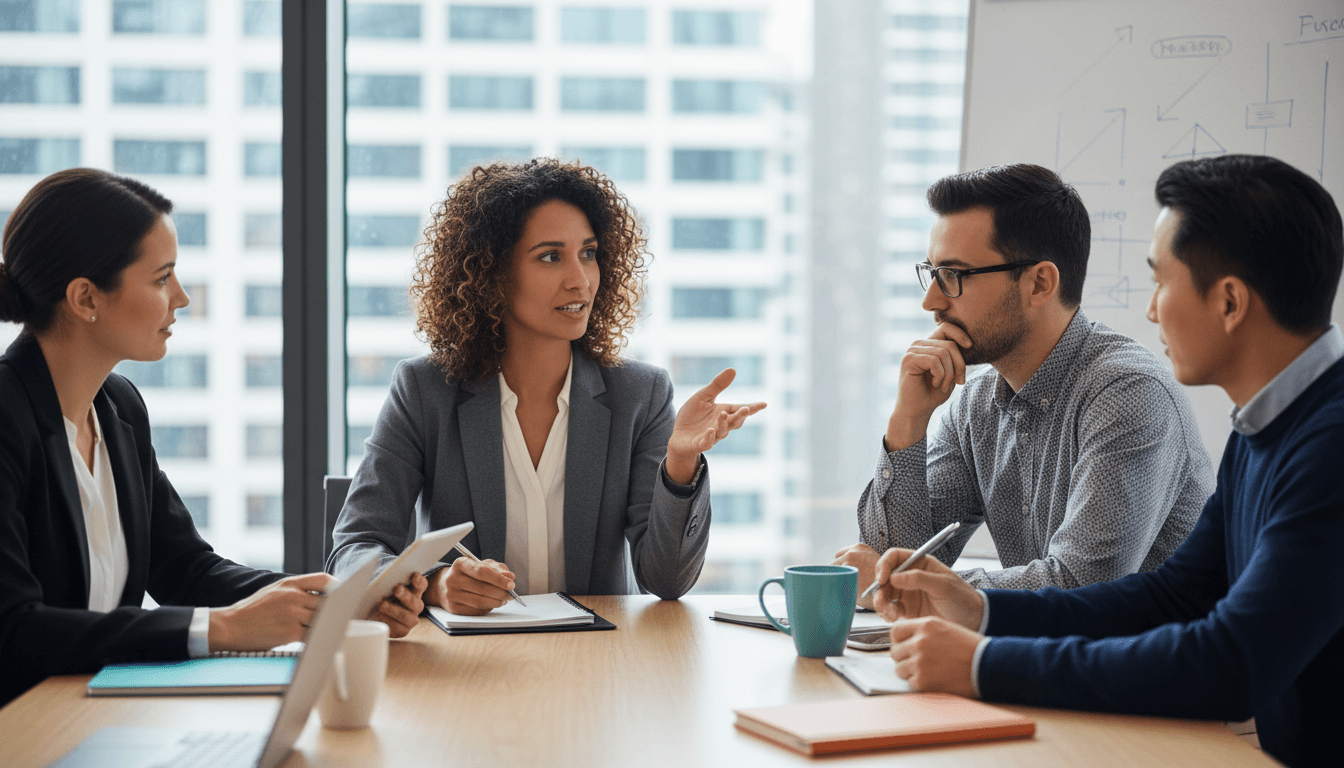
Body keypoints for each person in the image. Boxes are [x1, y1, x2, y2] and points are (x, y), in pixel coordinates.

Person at [869, 155, 1343, 768]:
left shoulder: (1328, 445)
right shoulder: (1267, 427)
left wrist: (983, 663)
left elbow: (1232, 663)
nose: (1150, 311)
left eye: (1160, 282)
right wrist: (980, 610)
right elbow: (1174, 596)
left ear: (1228, 303)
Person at [0, 169, 422, 707]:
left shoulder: (119, 409)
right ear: (86, 298)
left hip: (94, 714)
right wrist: (223, 629)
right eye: (160, 278)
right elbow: (14, 630)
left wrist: (337, 601)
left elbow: (186, 570)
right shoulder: (7, 417)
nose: (181, 298)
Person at [328, 158, 764, 614]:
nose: (580, 280)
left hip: (598, 665)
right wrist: (435, 585)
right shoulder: (423, 390)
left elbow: (667, 581)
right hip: (470, 667)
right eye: (550, 256)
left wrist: (680, 462)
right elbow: (356, 547)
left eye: (589, 253)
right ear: (492, 275)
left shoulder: (641, 394)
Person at [834, 163, 1214, 595]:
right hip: (1044, 658)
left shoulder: (1129, 394)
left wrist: (906, 582)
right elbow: (890, 566)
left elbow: (1079, 587)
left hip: (1142, 661)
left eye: (954, 276)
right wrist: (907, 422)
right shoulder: (975, 404)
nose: (931, 301)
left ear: (1039, 284)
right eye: (932, 273)